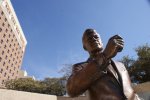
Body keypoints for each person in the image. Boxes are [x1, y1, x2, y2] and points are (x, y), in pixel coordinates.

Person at [66, 29, 140, 100]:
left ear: (102, 41)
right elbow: (72, 90)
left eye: (96, 37)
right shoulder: (81, 67)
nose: (94, 39)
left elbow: (130, 91)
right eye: (89, 38)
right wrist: (105, 55)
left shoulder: (121, 65)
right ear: (85, 47)